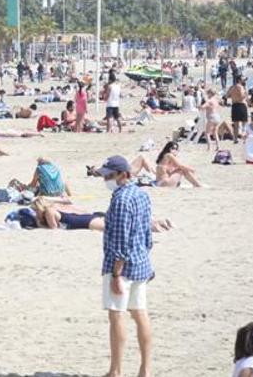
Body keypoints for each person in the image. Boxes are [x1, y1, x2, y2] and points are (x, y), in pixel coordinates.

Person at [95, 155, 154, 377]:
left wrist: (116, 274)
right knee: (140, 314)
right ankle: (145, 370)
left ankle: (116, 371)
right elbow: (147, 233)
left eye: (109, 175)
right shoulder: (142, 194)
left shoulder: (120, 200)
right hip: (141, 262)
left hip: (121, 268)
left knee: (117, 315)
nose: (106, 179)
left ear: (123, 174)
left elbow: (120, 241)